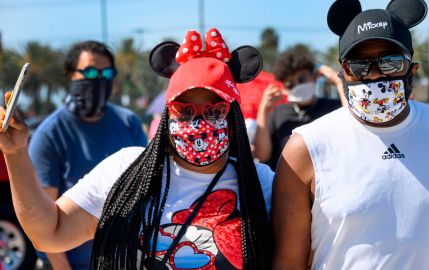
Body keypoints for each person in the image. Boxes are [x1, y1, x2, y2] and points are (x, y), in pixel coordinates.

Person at [1, 28, 272, 269]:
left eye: (214, 111)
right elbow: (50, 233)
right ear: (167, 117)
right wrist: (16, 155)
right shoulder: (125, 171)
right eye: (184, 111)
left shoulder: (262, 184)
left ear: (234, 119)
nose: (198, 122)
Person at [271, 0, 429, 269]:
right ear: (342, 74)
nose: (373, 76)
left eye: (390, 64)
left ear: (412, 70)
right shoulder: (307, 148)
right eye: (357, 66)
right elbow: (288, 263)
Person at [28, 41, 148, 269]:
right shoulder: (49, 134)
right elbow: (44, 216)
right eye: (90, 72)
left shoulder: (128, 122)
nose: (98, 80)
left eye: (106, 73)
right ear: (70, 75)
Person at [254, 47, 345, 170]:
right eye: (290, 84)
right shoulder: (277, 112)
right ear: (285, 88)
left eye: (302, 79)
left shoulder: (334, 107)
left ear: (315, 76)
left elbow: (354, 126)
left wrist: (339, 82)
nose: (297, 85)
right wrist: (264, 109)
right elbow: (261, 155)